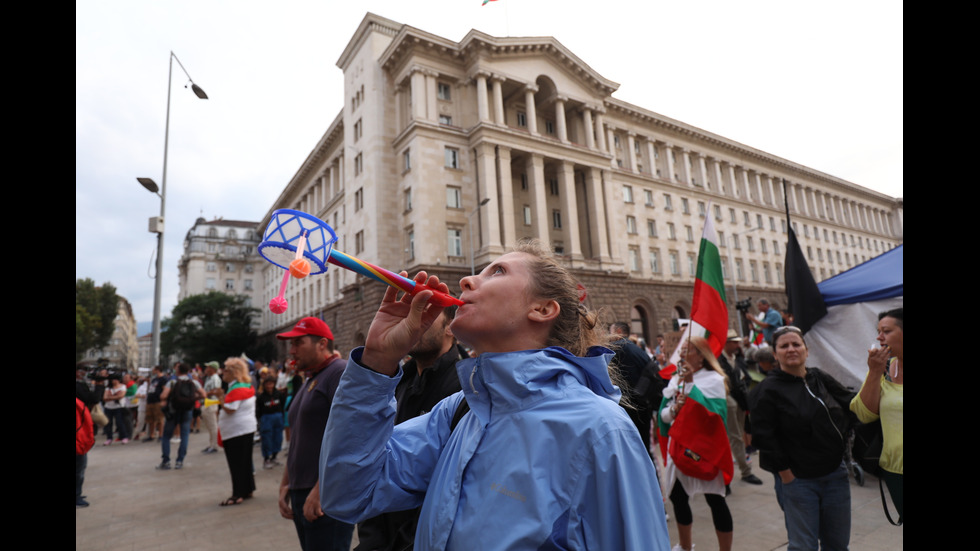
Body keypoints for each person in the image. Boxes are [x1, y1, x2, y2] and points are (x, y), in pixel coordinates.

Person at [320, 239, 670, 550]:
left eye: (497, 271)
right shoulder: (457, 413)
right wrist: (377, 361)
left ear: (543, 309)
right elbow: (348, 495)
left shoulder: (601, 430)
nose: (466, 281)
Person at [355, 306, 464, 551]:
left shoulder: (465, 387)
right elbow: (375, 457)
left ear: (450, 327)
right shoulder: (399, 380)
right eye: (412, 314)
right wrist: (371, 539)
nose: (415, 322)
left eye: (428, 315)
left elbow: (447, 488)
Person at [748, 326, 855, 550]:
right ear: (775, 355)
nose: (791, 349)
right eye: (784, 346)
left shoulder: (818, 378)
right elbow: (764, 438)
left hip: (835, 475)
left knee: (837, 545)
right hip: (799, 481)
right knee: (803, 546)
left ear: (806, 350)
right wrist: (787, 476)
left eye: (796, 344)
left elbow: (850, 403)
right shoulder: (767, 390)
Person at [276, 317, 354, 551]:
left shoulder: (338, 372)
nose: (292, 351)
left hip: (325, 496)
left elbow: (349, 435)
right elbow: (301, 436)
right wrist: (285, 483)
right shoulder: (312, 377)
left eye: (298, 343)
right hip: (303, 490)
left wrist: (322, 489)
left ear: (322, 344)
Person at [658, 336, 734, 551]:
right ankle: (684, 546)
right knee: (677, 497)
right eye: (681, 349)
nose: (682, 354)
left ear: (701, 355)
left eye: (688, 350)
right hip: (679, 447)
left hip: (704, 448)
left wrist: (691, 386)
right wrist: (674, 409)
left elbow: (714, 416)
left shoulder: (714, 380)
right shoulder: (675, 380)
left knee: (716, 500)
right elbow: (664, 416)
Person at [850, 308, 903, 520]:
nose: (879, 337)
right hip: (895, 471)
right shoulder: (884, 368)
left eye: (886, 331)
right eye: (878, 331)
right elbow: (864, 414)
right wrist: (873, 372)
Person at [717, 331, 762, 486]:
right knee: (735, 436)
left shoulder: (738, 359)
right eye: (734, 342)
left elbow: (746, 378)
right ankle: (745, 471)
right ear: (726, 343)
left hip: (740, 400)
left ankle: (744, 469)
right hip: (729, 402)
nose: (738, 345)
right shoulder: (717, 360)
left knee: (738, 436)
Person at [217, 357, 257, 506]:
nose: (223, 373)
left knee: (236, 463)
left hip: (236, 431)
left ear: (234, 372)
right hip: (244, 429)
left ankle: (238, 493)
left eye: (225, 371)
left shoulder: (236, 389)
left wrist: (220, 398)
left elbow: (230, 409)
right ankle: (247, 488)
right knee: (245, 461)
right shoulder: (244, 386)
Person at [157, 363, 207, 470]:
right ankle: (180, 461)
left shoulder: (172, 382)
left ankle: (166, 461)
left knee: (166, 436)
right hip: (187, 410)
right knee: (185, 435)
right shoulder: (194, 382)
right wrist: (192, 399)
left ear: (178, 371)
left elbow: (163, 396)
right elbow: (203, 395)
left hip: (173, 410)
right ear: (188, 371)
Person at [256, 375, 286, 470]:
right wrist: (259, 422)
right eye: (267, 384)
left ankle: (274, 456)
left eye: (271, 384)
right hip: (266, 418)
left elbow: (283, 405)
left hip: (278, 417)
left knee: (278, 438)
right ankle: (266, 458)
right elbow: (258, 410)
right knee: (267, 439)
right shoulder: (261, 397)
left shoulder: (278, 394)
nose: (269, 386)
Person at [102, 374, 131, 445]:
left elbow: (121, 396)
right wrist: (115, 397)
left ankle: (124, 437)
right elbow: (104, 398)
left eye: (115, 379)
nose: (113, 381)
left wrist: (110, 397)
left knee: (120, 423)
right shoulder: (108, 388)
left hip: (119, 407)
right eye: (112, 380)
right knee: (108, 423)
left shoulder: (123, 386)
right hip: (108, 407)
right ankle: (109, 438)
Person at [200, 361, 222, 454]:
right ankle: (211, 444)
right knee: (209, 425)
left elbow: (216, 391)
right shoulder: (209, 378)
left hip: (211, 402)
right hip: (207, 402)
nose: (206, 369)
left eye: (208, 367)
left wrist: (205, 394)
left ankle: (215, 445)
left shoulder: (215, 379)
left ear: (212, 369)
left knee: (212, 425)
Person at [143, 366, 167, 442]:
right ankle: (151, 435)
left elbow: (165, 389)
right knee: (150, 419)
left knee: (159, 419)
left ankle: (161, 435)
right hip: (150, 401)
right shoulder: (154, 379)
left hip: (158, 401)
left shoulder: (163, 379)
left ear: (157, 370)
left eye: (153, 370)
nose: (152, 371)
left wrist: (164, 400)